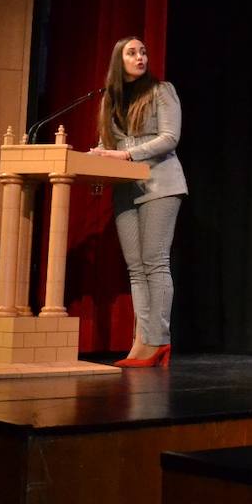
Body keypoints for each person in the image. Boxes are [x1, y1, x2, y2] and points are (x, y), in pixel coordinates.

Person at [90, 37, 187, 368]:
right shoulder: (110, 100)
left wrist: (128, 153)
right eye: (132, 53)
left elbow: (170, 137)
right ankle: (141, 342)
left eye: (143, 51)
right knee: (135, 267)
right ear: (119, 60)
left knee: (154, 261)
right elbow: (110, 143)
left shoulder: (162, 91)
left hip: (161, 183)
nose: (140, 57)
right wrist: (98, 157)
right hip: (126, 188)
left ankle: (159, 340)